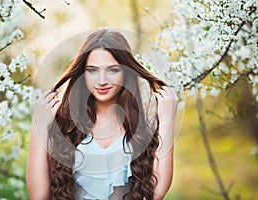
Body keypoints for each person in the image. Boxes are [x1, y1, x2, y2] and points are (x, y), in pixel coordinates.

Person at [26, 28, 179, 200]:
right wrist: (38, 127)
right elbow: (39, 196)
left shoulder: (144, 127)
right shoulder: (63, 125)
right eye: (92, 70)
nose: (102, 80)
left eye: (113, 70)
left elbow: (156, 194)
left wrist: (167, 121)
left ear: (126, 71)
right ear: (82, 73)